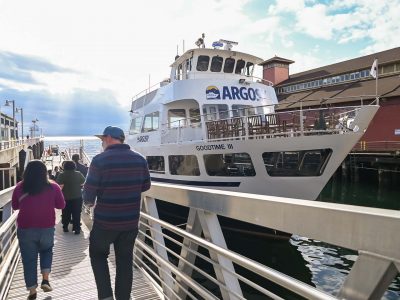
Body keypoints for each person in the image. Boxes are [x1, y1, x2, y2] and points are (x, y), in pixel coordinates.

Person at [83, 126, 150, 300]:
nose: (102, 142)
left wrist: (89, 203)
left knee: (98, 256)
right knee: (125, 262)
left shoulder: (99, 160)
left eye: (103, 139)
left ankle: (106, 296)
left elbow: (89, 193)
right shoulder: (140, 159)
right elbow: (145, 186)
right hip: (130, 223)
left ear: (110, 138)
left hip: (105, 222)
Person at [11, 160, 65, 300]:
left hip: (26, 228)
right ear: (44, 172)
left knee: (29, 260)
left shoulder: (19, 187)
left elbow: (15, 206)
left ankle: (32, 291)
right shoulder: (53, 187)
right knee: (47, 250)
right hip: (46, 227)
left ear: (26, 172)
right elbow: (61, 205)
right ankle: (45, 280)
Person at [56, 160, 85, 234]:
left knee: (66, 212)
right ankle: (77, 228)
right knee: (76, 213)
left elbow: (59, 186)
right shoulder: (78, 174)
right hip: (77, 197)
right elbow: (83, 182)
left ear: (64, 166)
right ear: (74, 166)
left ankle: (65, 227)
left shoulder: (62, 175)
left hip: (65, 197)